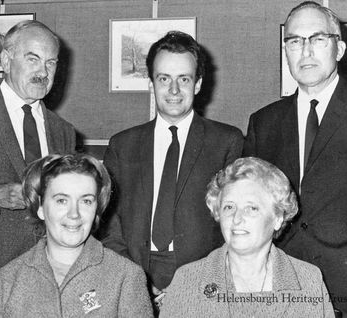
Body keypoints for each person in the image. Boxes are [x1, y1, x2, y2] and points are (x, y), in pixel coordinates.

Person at [243, 2, 347, 317]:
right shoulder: (264, 122)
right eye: (295, 41)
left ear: (339, 48)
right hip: (282, 285)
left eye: (317, 39)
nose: (306, 51)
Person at [100, 31, 244, 300]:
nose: (174, 90)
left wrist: (194, 283)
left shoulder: (227, 142)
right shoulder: (122, 145)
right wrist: (135, 279)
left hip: (203, 281)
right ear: (151, 83)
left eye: (184, 79)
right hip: (134, 274)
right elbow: (109, 224)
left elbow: (236, 224)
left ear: (198, 84)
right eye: (164, 79)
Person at [0, 20, 76, 315]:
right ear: (6, 61)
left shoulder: (63, 131)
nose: (43, 72)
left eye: (51, 62)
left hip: (49, 285)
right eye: (33, 59)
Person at [0, 154, 153, 317]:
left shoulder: (125, 277)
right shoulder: (6, 280)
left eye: (86, 201)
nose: (74, 214)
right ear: (40, 207)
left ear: (96, 209)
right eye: (62, 200)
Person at [160, 157, 334, 318]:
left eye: (251, 208)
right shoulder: (187, 280)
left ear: (278, 218)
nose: (237, 218)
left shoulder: (307, 279)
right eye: (229, 207)